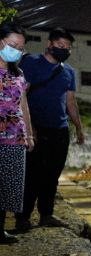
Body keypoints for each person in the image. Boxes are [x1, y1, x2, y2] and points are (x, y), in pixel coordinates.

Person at [15, 28, 84, 231]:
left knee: (52, 175)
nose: (64, 49)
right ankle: (23, 218)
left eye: (68, 47)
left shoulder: (69, 72)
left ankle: (46, 215)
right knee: (32, 174)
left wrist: (79, 128)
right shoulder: (30, 63)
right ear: (49, 44)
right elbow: (21, 95)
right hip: (37, 128)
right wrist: (28, 127)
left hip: (59, 130)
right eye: (61, 46)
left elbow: (71, 102)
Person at [0, 22, 34, 244]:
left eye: (20, 48)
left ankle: (0, 229)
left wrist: (29, 135)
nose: (16, 50)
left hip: (14, 138)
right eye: (12, 45)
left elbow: (24, 106)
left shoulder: (18, 74)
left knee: (7, 186)